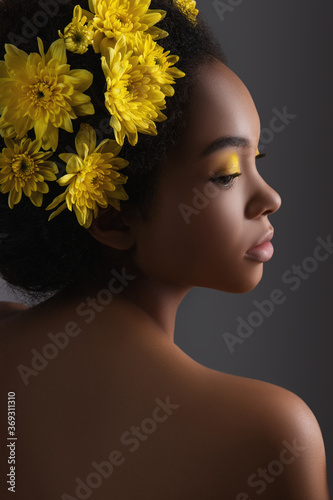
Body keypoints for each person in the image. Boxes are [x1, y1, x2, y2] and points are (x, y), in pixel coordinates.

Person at [0, 1, 330, 498]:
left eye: (256, 159)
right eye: (226, 175)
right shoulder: (273, 434)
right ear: (109, 216)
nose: (271, 198)